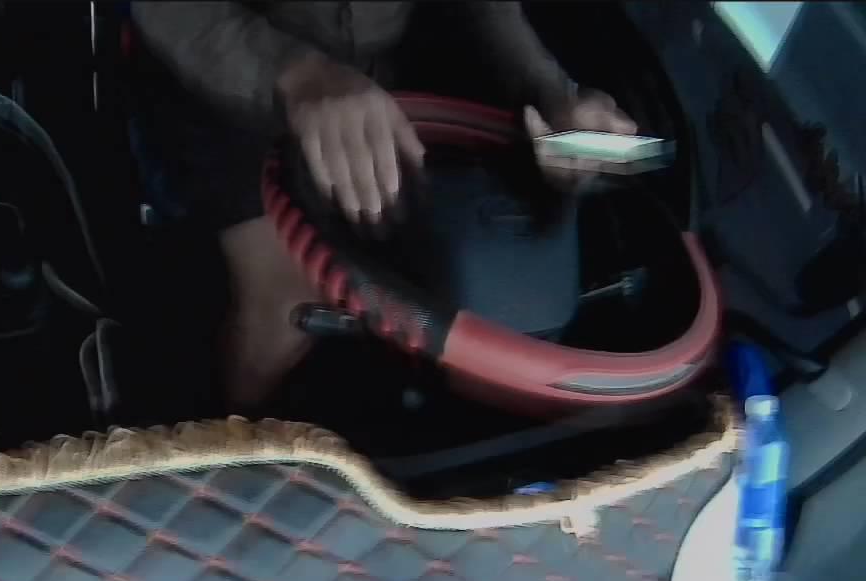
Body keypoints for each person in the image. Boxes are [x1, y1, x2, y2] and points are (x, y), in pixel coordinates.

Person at [130, 1, 638, 410]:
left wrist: (549, 94)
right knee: (289, 307)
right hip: (223, 73)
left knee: (500, 277)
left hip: (387, 71)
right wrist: (300, 75)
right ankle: (230, 458)